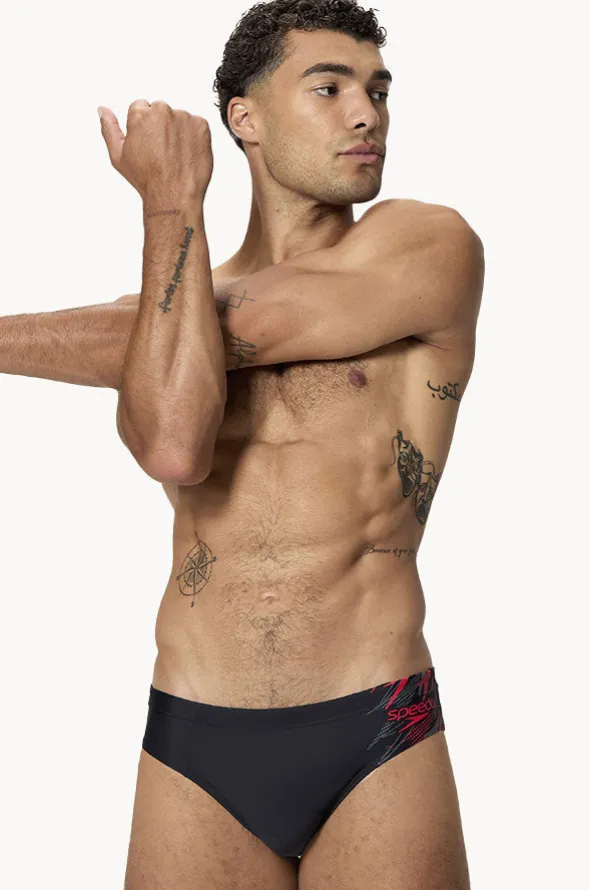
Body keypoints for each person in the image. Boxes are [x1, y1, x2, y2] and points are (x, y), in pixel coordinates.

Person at [2, 1, 484, 887]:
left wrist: (167, 214)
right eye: (329, 88)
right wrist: (174, 209)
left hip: (375, 722)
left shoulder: (427, 245)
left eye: (379, 91)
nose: (366, 114)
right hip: (193, 733)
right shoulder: (171, 311)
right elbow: (174, 445)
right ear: (245, 119)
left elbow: (251, 321)